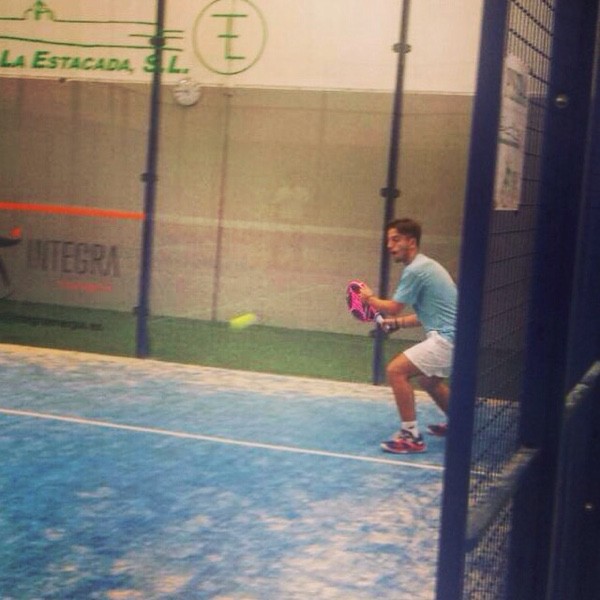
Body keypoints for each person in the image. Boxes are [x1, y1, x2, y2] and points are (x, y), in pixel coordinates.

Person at [359, 218, 457, 454]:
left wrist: (369, 299)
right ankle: (459, 423)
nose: (390, 246)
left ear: (411, 242)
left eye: (396, 240)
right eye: (388, 241)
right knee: (428, 381)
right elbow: (426, 315)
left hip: (447, 340)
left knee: (396, 371)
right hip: (457, 338)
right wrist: (397, 324)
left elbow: (393, 307)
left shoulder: (416, 270)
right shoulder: (426, 266)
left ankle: (411, 436)